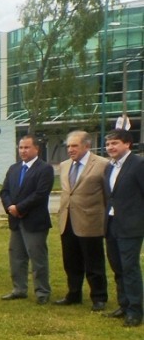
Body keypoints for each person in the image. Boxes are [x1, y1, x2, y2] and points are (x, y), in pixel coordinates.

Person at [55, 130, 108, 311]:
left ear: (87, 146)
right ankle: (74, 293)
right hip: (67, 221)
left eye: (74, 146)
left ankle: (99, 297)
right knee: (71, 261)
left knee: (94, 262)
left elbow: (107, 194)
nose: (70, 149)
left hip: (90, 222)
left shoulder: (102, 165)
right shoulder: (64, 165)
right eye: (68, 146)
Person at [0, 135, 55, 305]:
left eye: (27, 147)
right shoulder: (14, 168)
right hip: (16, 221)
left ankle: (42, 291)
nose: (23, 151)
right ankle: (19, 289)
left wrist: (20, 208)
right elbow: (4, 191)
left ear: (36, 149)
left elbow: (40, 194)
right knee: (16, 257)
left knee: (37, 258)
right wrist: (10, 208)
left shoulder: (44, 169)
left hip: (34, 221)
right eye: (21, 148)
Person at [103, 129, 144, 327]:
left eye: (115, 143)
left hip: (131, 226)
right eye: (108, 144)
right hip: (112, 224)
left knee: (130, 267)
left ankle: (135, 311)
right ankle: (124, 304)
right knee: (117, 266)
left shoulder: (138, 164)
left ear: (127, 144)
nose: (110, 147)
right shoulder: (109, 167)